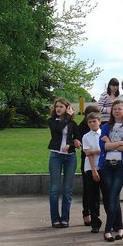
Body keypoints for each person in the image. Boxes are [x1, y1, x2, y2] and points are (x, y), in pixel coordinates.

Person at [98, 100, 123, 242]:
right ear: (112, 111)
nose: (117, 111)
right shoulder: (106, 126)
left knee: (113, 196)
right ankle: (120, 228)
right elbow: (103, 147)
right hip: (106, 166)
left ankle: (108, 230)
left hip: (120, 166)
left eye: (120, 109)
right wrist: (120, 143)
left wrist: (110, 143)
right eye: (115, 109)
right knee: (112, 197)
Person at [47, 98, 81, 228]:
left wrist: (71, 144)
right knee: (54, 188)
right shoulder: (52, 121)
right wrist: (67, 117)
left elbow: (77, 138)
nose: (58, 109)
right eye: (57, 106)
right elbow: (58, 129)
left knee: (67, 189)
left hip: (70, 157)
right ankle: (55, 218)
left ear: (67, 108)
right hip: (56, 155)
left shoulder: (72, 123)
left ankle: (65, 218)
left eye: (61, 106)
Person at [77, 104, 100, 228]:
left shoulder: (101, 128)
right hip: (87, 161)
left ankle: (94, 215)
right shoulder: (83, 128)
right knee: (88, 189)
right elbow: (86, 150)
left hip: (99, 161)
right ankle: (87, 213)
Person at [81, 112, 102, 233]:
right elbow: (88, 154)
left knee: (107, 195)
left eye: (94, 121)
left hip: (104, 166)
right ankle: (95, 221)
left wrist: (95, 151)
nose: (92, 123)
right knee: (92, 196)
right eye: (90, 122)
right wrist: (94, 170)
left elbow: (105, 149)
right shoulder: (86, 137)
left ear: (99, 121)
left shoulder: (104, 134)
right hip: (91, 167)